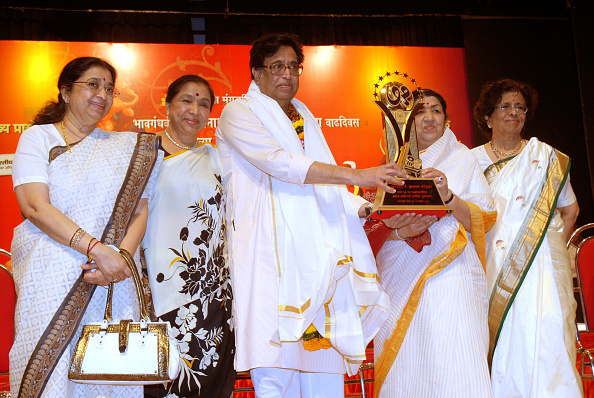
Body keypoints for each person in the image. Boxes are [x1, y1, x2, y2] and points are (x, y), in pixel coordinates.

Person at [215, 33, 402, 397]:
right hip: (267, 252)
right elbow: (281, 164)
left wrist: (366, 208)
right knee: (275, 374)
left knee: (324, 376)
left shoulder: (303, 114)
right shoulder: (239, 112)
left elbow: (325, 180)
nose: (287, 74)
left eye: (293, 66)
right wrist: (358, 175)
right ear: (256, 72)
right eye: (276, 66)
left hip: (316, 255)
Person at [9, 56, 162, 398]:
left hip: (112, 279)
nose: (103, 94)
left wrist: (121, 259)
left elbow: (140, 211)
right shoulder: (39, 138)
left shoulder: (124, 148)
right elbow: (34, 206)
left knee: (107, 377)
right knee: (49, 374)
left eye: (109, 88)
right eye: (92, 84)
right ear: (65, 92)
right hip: (50, 277)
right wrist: (97, 250)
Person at [367, 89, 497, 397]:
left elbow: (485, 219)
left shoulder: (463, 159)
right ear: (405, 123)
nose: (428, 117)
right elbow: (370, 227)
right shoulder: (387, 166)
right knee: (409, 352)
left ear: (447, 120)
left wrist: (448, 196)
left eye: (436, 111)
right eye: (419, 112)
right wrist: (400, 230)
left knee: (455, 349)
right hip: (400, 272)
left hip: (453, 272)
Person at [471, 78, 581, 397]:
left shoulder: (546, 158)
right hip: (493, 265)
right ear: (487, 117)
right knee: (506, 338)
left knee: (549, 331)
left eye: (520, 106)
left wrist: (553, 254)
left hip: (543, 266)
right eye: (505, 106)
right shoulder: (471, 161)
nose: (514, 112)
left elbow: (570, 211)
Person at [141, 75, 235, 398]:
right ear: (167, 105)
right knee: (170, 383)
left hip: (216, 293)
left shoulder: (215, 156)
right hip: (166, 290)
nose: (194, 110)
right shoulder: (145, 155)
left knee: (214, 382)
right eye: (186, 100)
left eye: (203, 104)